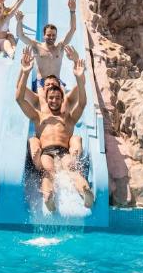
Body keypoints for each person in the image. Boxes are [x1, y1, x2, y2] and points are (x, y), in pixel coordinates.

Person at [15, 46, 94, 213]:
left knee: (72, 169)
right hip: (46, 152)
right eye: (51, 97)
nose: (54, 100)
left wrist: (79, 77)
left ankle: (85, 192)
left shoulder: (69, 117)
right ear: (47, 97)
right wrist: (25, 72)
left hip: (64, 151)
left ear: (61, 97)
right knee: (48, 172)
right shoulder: (38, 116)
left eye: (57, 97)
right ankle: (48, 196)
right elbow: (19, 99)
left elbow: (82, 103)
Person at [14, 0, 77, 93]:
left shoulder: (60, 47)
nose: (51, 37)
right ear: (43, 36)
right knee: (43, 101)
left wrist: (72, 12)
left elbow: (72, 29)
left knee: (64, 99)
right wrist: (19, 21)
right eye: (48, 35)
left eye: (53, 35)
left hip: (56, 81)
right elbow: (20, 35)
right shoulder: (36, 46)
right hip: (41, 82)